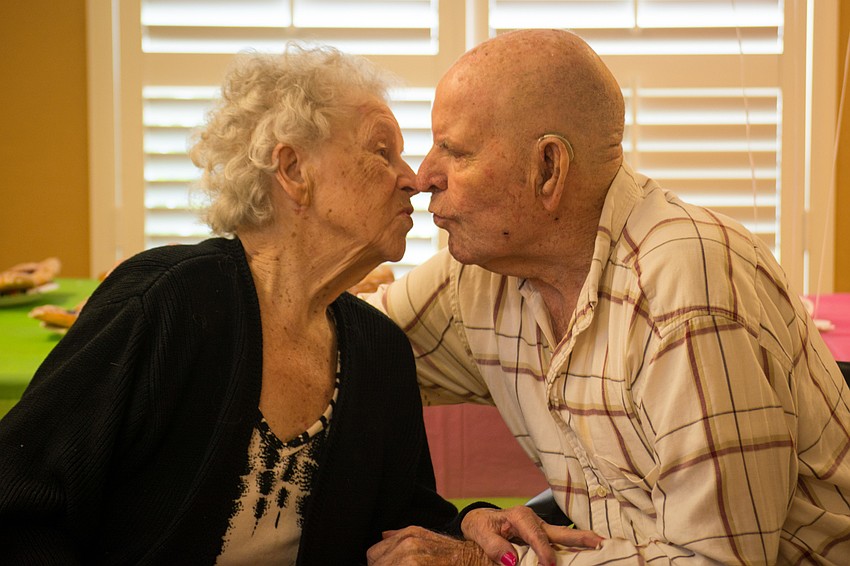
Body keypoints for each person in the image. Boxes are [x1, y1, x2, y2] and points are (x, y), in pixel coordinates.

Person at [0, 44, 505, 564]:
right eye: (382, 152)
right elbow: (17, 504)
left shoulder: (379, 351)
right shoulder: (167, 302)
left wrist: (468, 526)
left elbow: (401, 523)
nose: (415, 179)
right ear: (292, 169)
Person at [365, 29, 850, 565]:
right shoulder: (484, 275)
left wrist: (481, 563)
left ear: (548, 169)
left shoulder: (685, 289)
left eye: (453, 151)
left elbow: (716, 563)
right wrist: (466, 519)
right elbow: (345, 352)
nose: (424, 176)